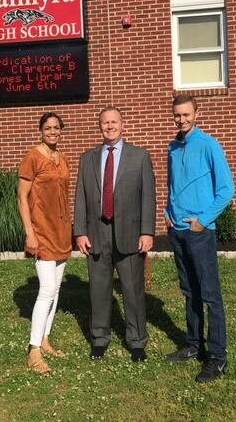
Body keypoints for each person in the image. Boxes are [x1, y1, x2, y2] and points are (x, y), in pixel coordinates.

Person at [74, 107, 156, 362]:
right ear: (99, 127)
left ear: (123, 125)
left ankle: (136, 341)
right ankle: (99, 339)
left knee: (132, 290)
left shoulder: (140, 156)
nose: (109, 126)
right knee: (98, 290)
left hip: (131, 234)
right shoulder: (87, 158)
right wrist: (80, 232)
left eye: (114, 122)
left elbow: (148, 196)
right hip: (97, 233)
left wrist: (147, 231)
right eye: (105, 123)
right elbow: (80, 198)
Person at [164, 94, 235, 383]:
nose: (181, 120)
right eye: (177, 115)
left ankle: (217, 357)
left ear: (196, 113)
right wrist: (167, 211)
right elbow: (173, 184)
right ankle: (194, 345)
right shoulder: (171, 147)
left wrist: (202, 221)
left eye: (186, 114)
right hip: (177, 232)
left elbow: (226, 189)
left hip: (199, 232)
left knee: (210, 295)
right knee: (189, 291)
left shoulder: (209, 145)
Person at [17, 112, 72, 375]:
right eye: (48, 127)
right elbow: (21, 197)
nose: (52, 131)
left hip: (61, 230)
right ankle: (33, 351)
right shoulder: (33, 157)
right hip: (41, 231)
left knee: (57, 288)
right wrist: (30, 233)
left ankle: (46, 339)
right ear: (40, 130)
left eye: (56, 128)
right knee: (47, 289)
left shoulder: (63, 159)